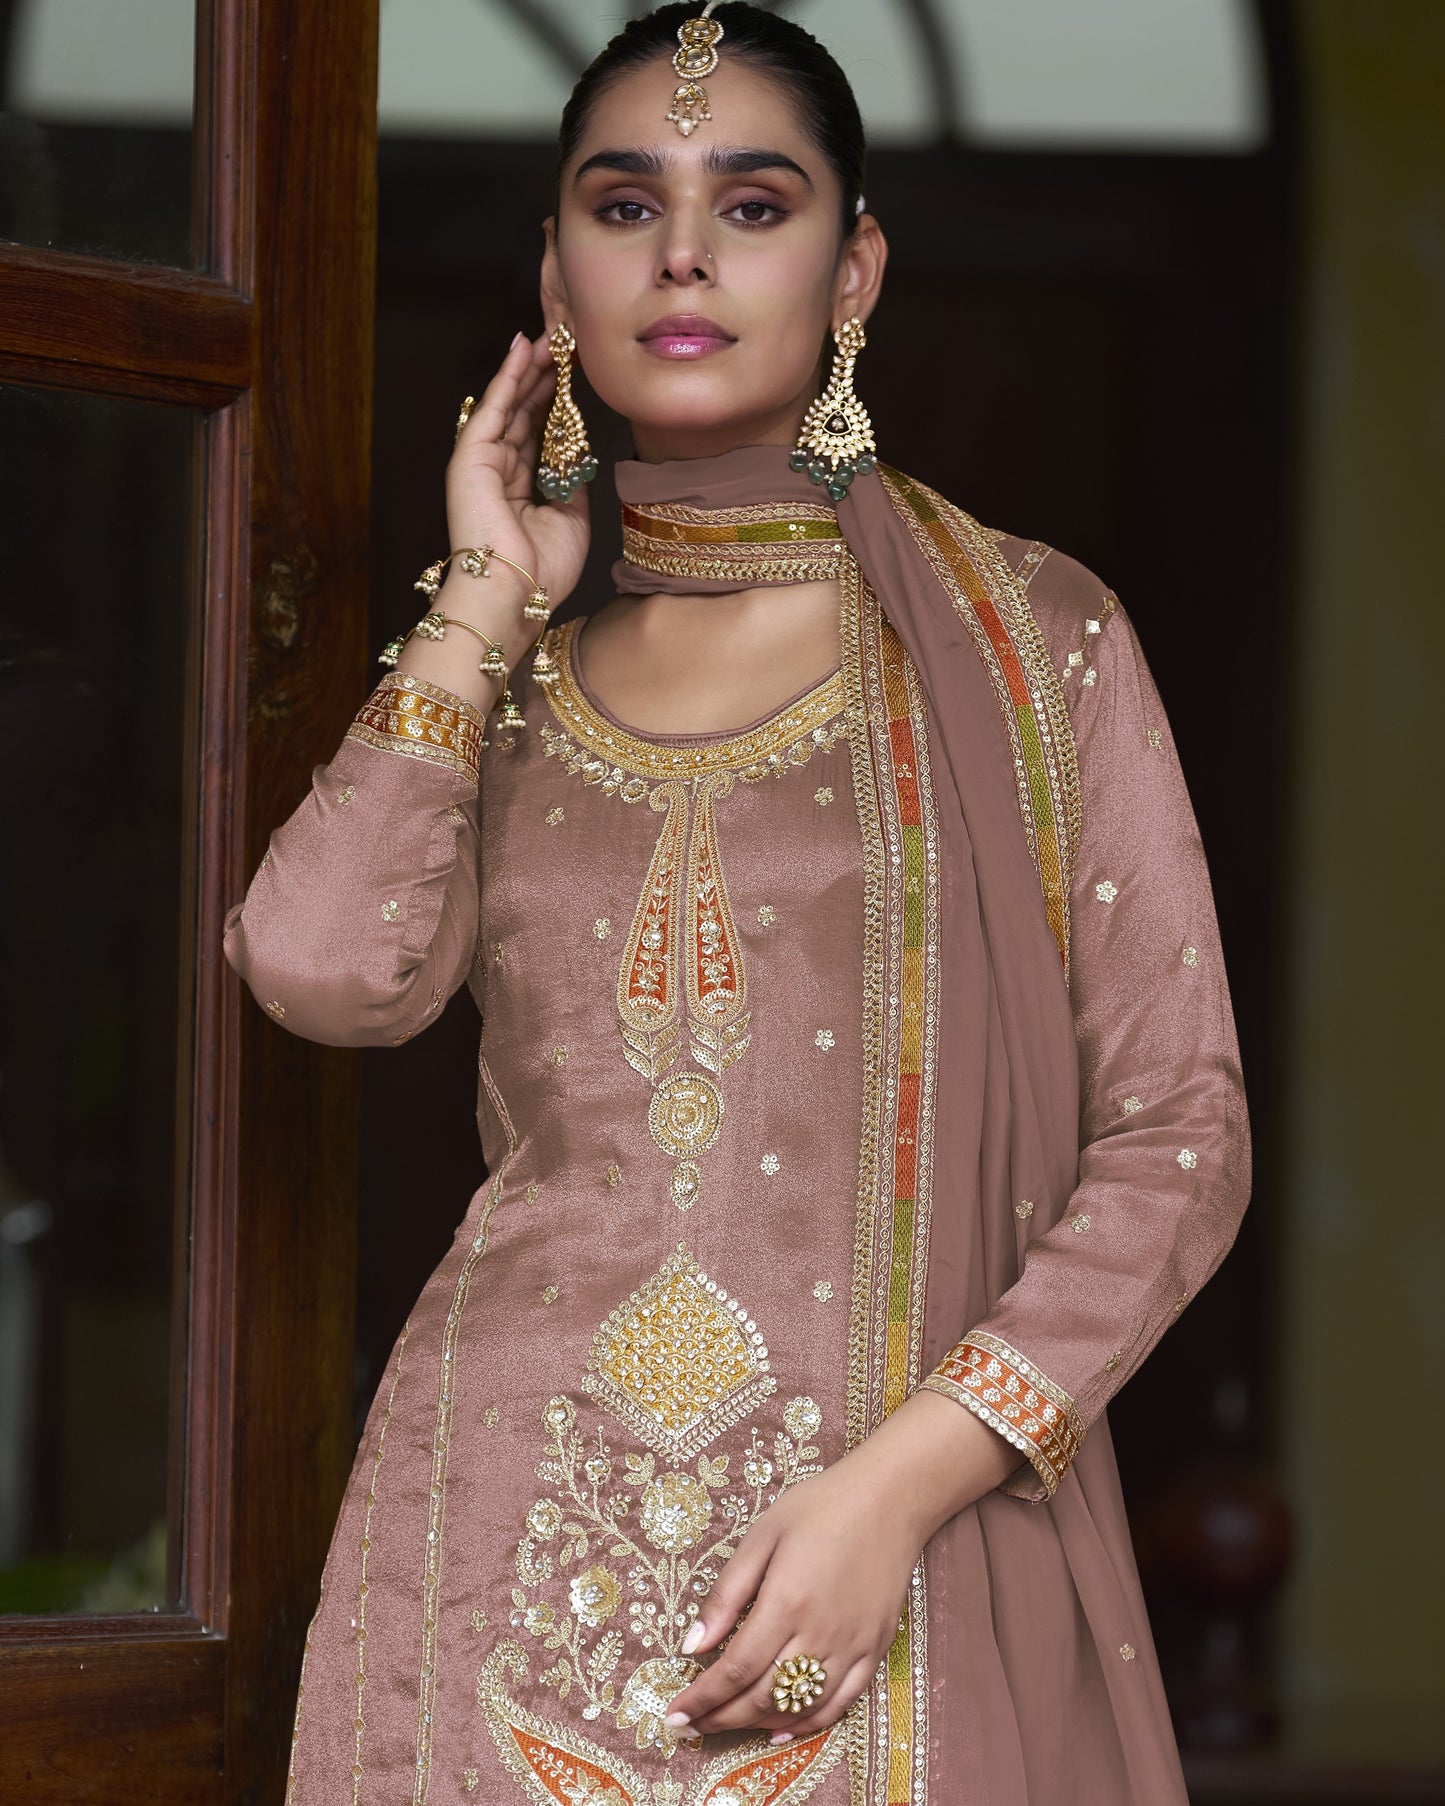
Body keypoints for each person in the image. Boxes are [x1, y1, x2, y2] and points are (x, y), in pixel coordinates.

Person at [223, 4, 1251, 1800]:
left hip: (878, 1570)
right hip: (497, 1573)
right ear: (554, 267)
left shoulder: (1038, 645)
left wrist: (898, 1484)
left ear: (853, 266)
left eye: (752, 206)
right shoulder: (509, 690)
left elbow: (1179, 1137)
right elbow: (320, 972)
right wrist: (477, 604)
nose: (681, 252)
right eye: (621, 208)